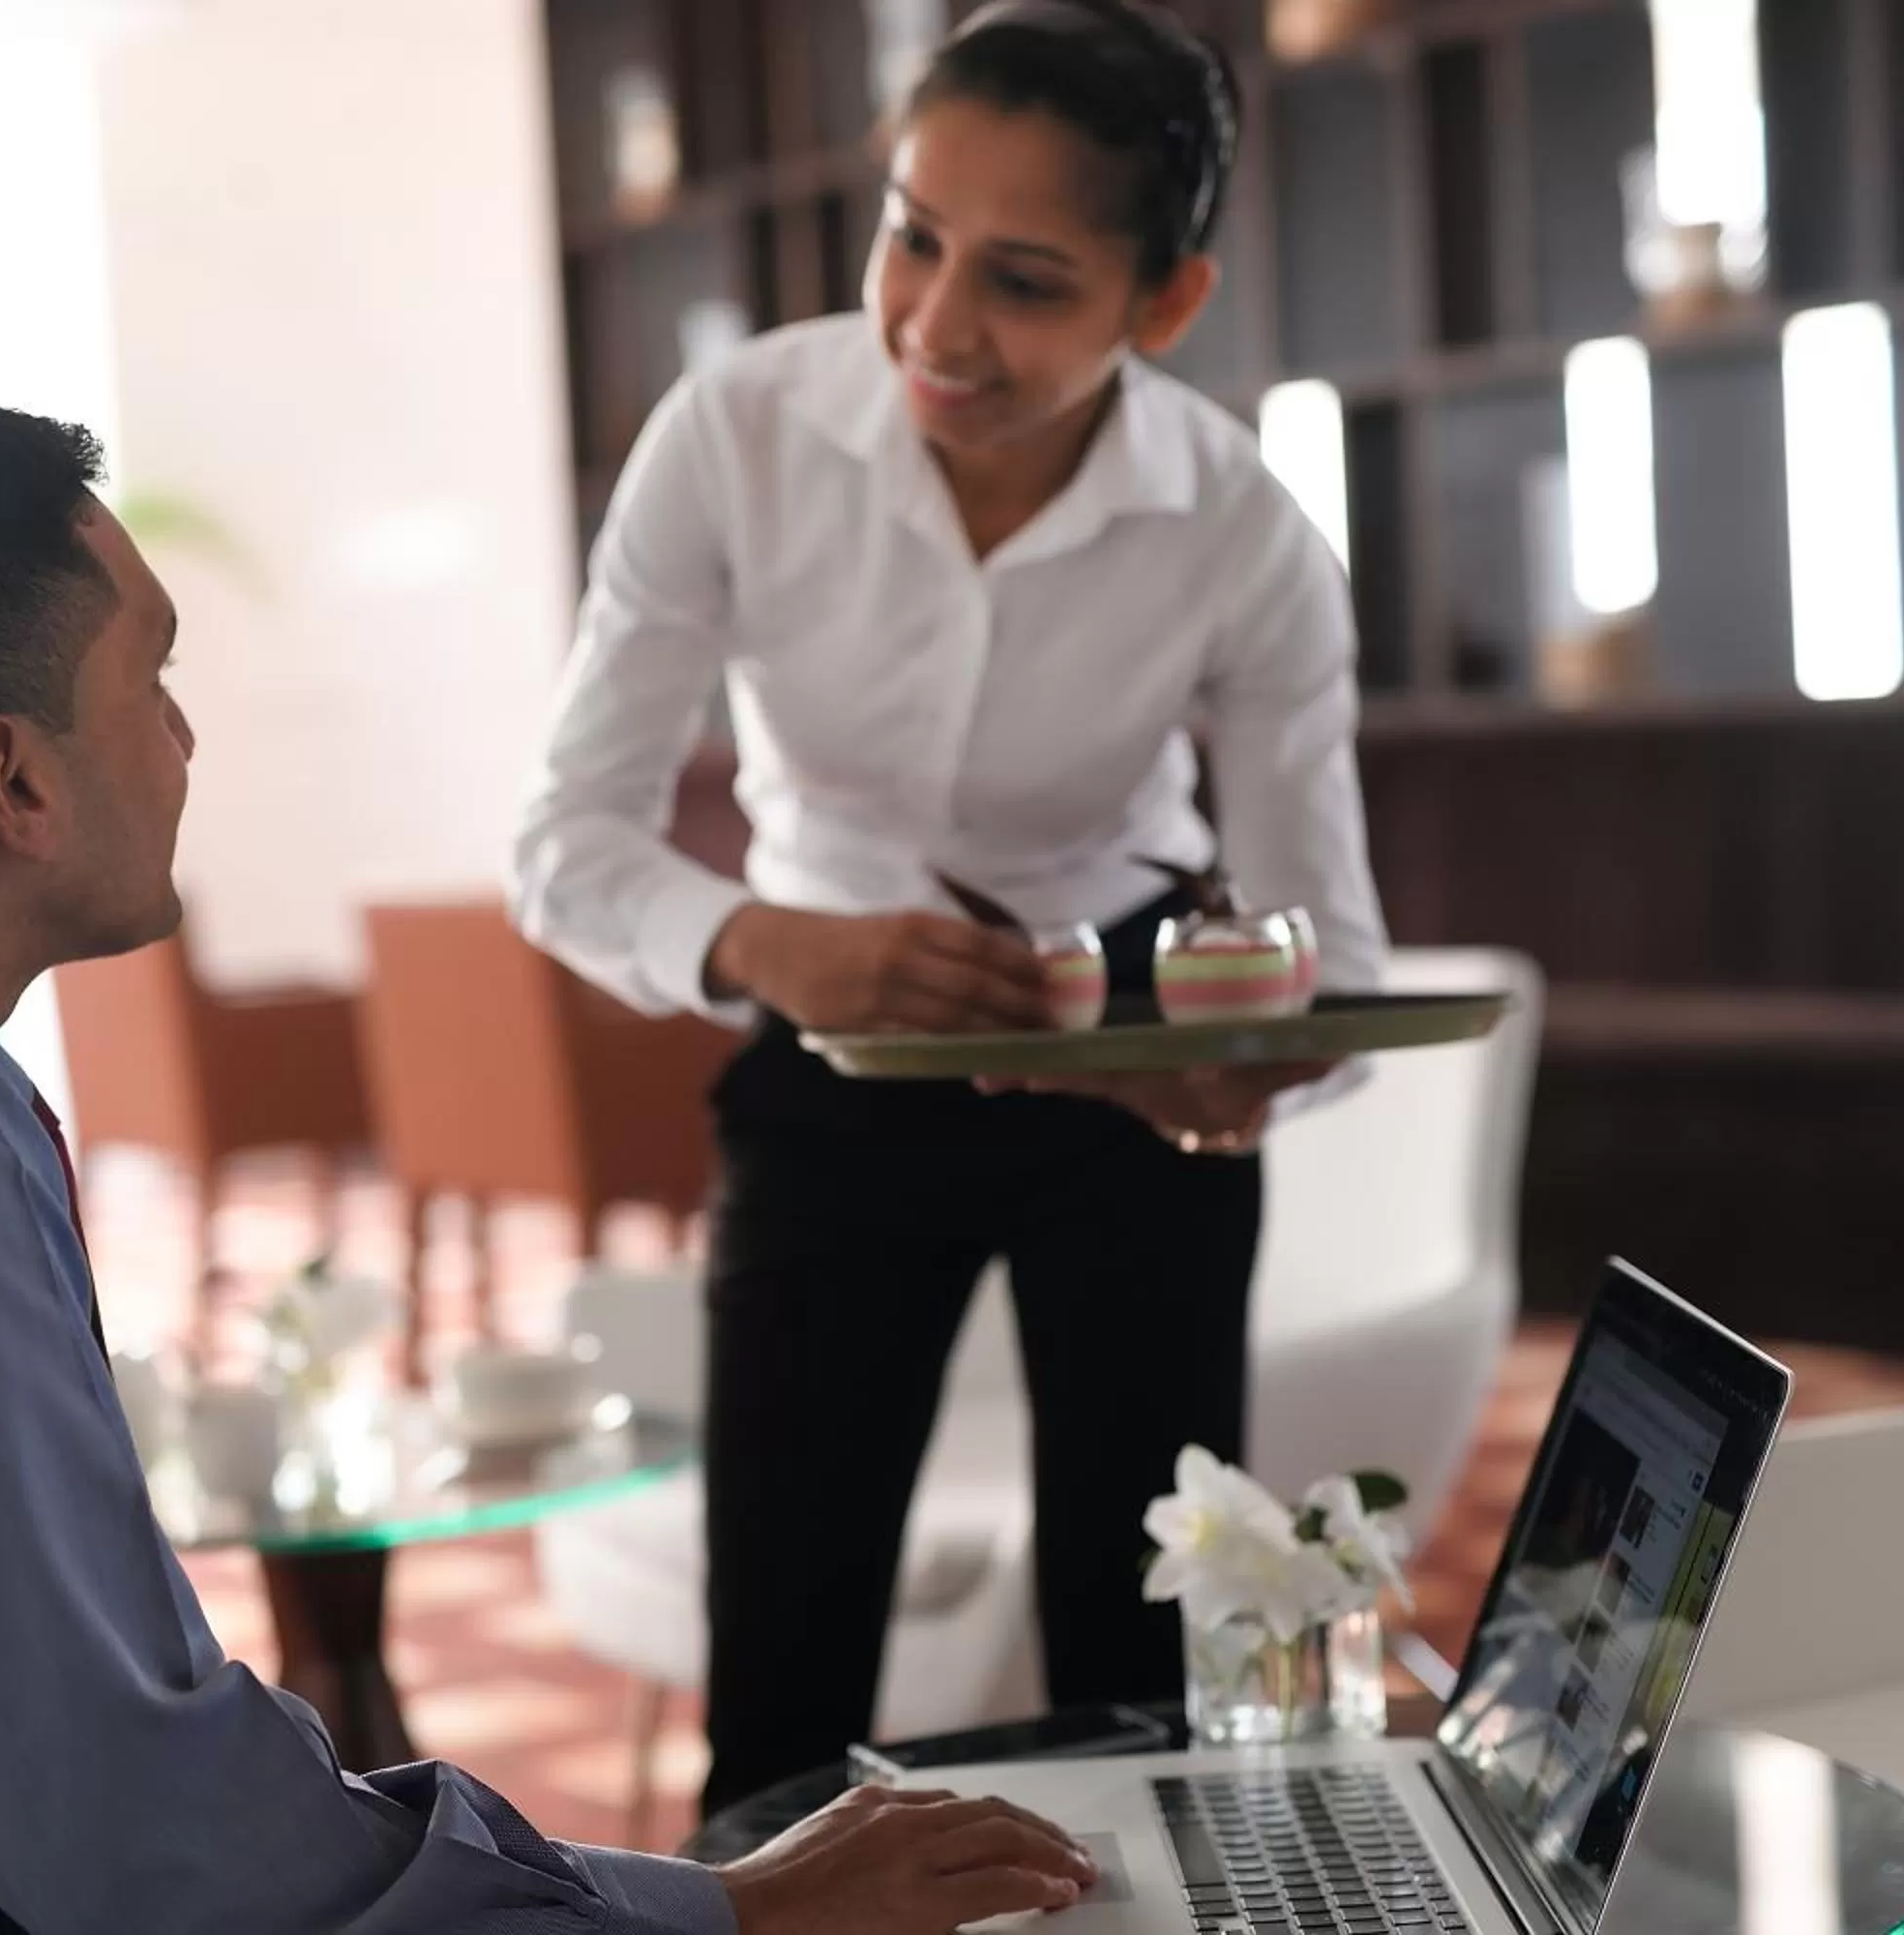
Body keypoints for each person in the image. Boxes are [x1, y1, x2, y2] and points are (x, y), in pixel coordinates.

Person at [0, 401, 1095, 1934]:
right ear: (15, 778)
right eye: (152, 678)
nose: (183, 738)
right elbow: (137, 1831)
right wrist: (730, 1907)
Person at [510, 0, 1387, 1816]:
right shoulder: (735, 436)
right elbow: (565, 847)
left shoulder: (1240, 532)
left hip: (1131, 1054)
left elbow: (1335, 940)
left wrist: (1249, 1073)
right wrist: (765, 940)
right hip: (823, 1033)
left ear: (1165, 307)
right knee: (786, 1667)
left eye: (1028, 281)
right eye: (914, 236)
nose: (934, 325)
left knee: (1145, 1654)